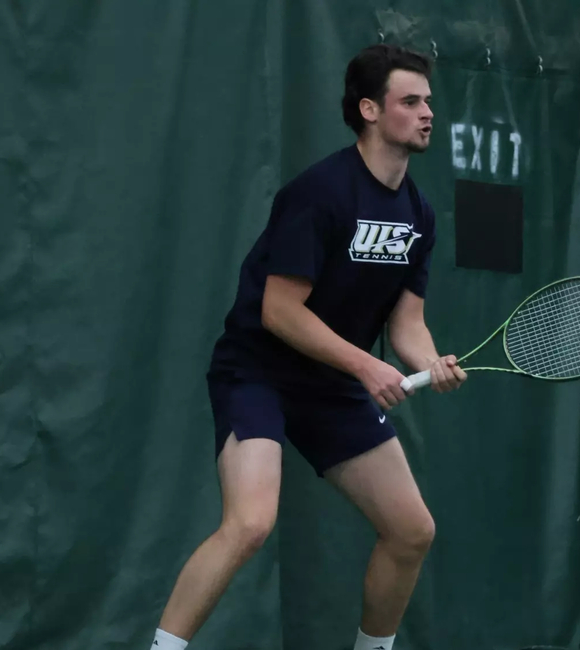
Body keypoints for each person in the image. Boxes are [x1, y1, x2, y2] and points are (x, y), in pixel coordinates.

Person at [148, 43, 467, 650]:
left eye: (429, 101)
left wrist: (430, 363)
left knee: (411, 530)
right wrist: (368, 365)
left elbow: (407, 325)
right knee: (250, 522)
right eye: (411, 101)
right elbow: (278, 311)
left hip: (332, 386)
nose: (428, 113)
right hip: (258, 373)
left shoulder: (420, 215)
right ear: (370, 110)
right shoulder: (319, 193)